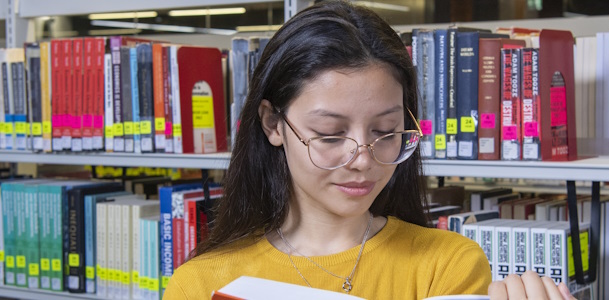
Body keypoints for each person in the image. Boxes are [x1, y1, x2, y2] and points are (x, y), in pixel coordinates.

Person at [163, 1, 575, 299]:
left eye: (385, 130)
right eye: (328, 135)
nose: (363, 159)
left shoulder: (447, 264)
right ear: (273, 124)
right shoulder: (202, 284)